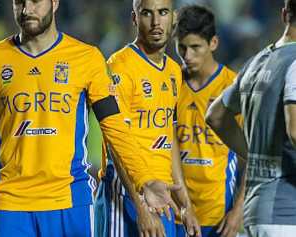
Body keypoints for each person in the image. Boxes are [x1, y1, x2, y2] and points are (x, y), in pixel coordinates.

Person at [0, 0, 178, 236]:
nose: (26, 10)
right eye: (19, 2)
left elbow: (115, 129)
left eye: (36, 1)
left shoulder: (86, 58)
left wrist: (143, 180)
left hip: (70, 201)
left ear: (55, 3)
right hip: (11, 202)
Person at [94, 0, 200, 237]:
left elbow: (168, 136)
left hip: (164, 195)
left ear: (173, 18)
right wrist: (141, 207)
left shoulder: (173, 71)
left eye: (162, 13)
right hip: (125, 196)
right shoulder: (119, 66)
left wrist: (185, 203)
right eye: (146, 14)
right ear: (134, 18)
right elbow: (115, 141)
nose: (156, 22)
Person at [206, 0, 296, 236]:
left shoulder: (257, 61)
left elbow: (215, 116)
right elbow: (295, 130)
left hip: (256, 211)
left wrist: (255, 154)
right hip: (287, 213)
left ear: (284, 14)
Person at [174, 5, 245, 237]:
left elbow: (252, 155)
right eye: (181, 48)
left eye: (195, 47)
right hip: (176, 214)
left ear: (213, 43)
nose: (187, 56)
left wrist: (238, 210)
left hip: (218, 216)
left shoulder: (232, 87)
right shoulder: (170, 84)